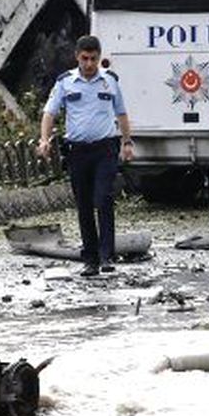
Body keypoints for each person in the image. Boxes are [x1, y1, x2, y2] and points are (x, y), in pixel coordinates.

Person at [37, 35, 134, 276]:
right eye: (85, 59)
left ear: (99, 58)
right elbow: (50, 113)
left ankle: (106, 256)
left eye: (93, 59)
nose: (89, 64)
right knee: (84, 204)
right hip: (78, 151)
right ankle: (90, 257)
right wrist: (44, 139)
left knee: (103, 199)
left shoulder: (109, 81)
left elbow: (121, 113)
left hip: (105, 150)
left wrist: (127, 142)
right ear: (77, 57)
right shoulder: (65, 82)